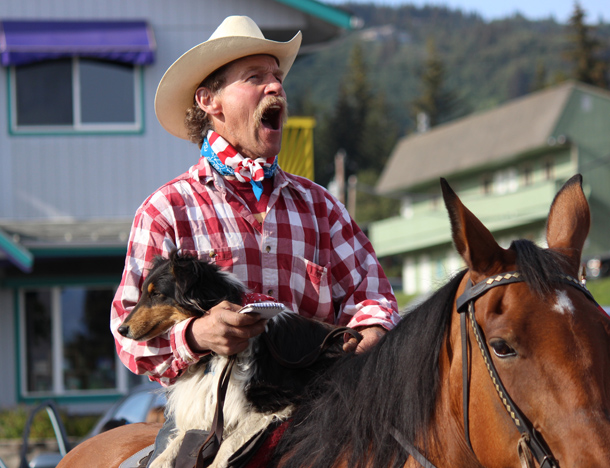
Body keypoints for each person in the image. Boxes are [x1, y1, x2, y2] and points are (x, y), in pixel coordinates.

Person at [110, 15, 400, 464]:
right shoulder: (167, 210)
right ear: (209, 100)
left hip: (322, 405)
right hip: (209, 416)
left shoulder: (319, 206)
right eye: (255, 78)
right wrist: (198, 334)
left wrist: (371, 330)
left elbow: (373, 294)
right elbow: (128, 336)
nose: (275, 89)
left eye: (277, 78)